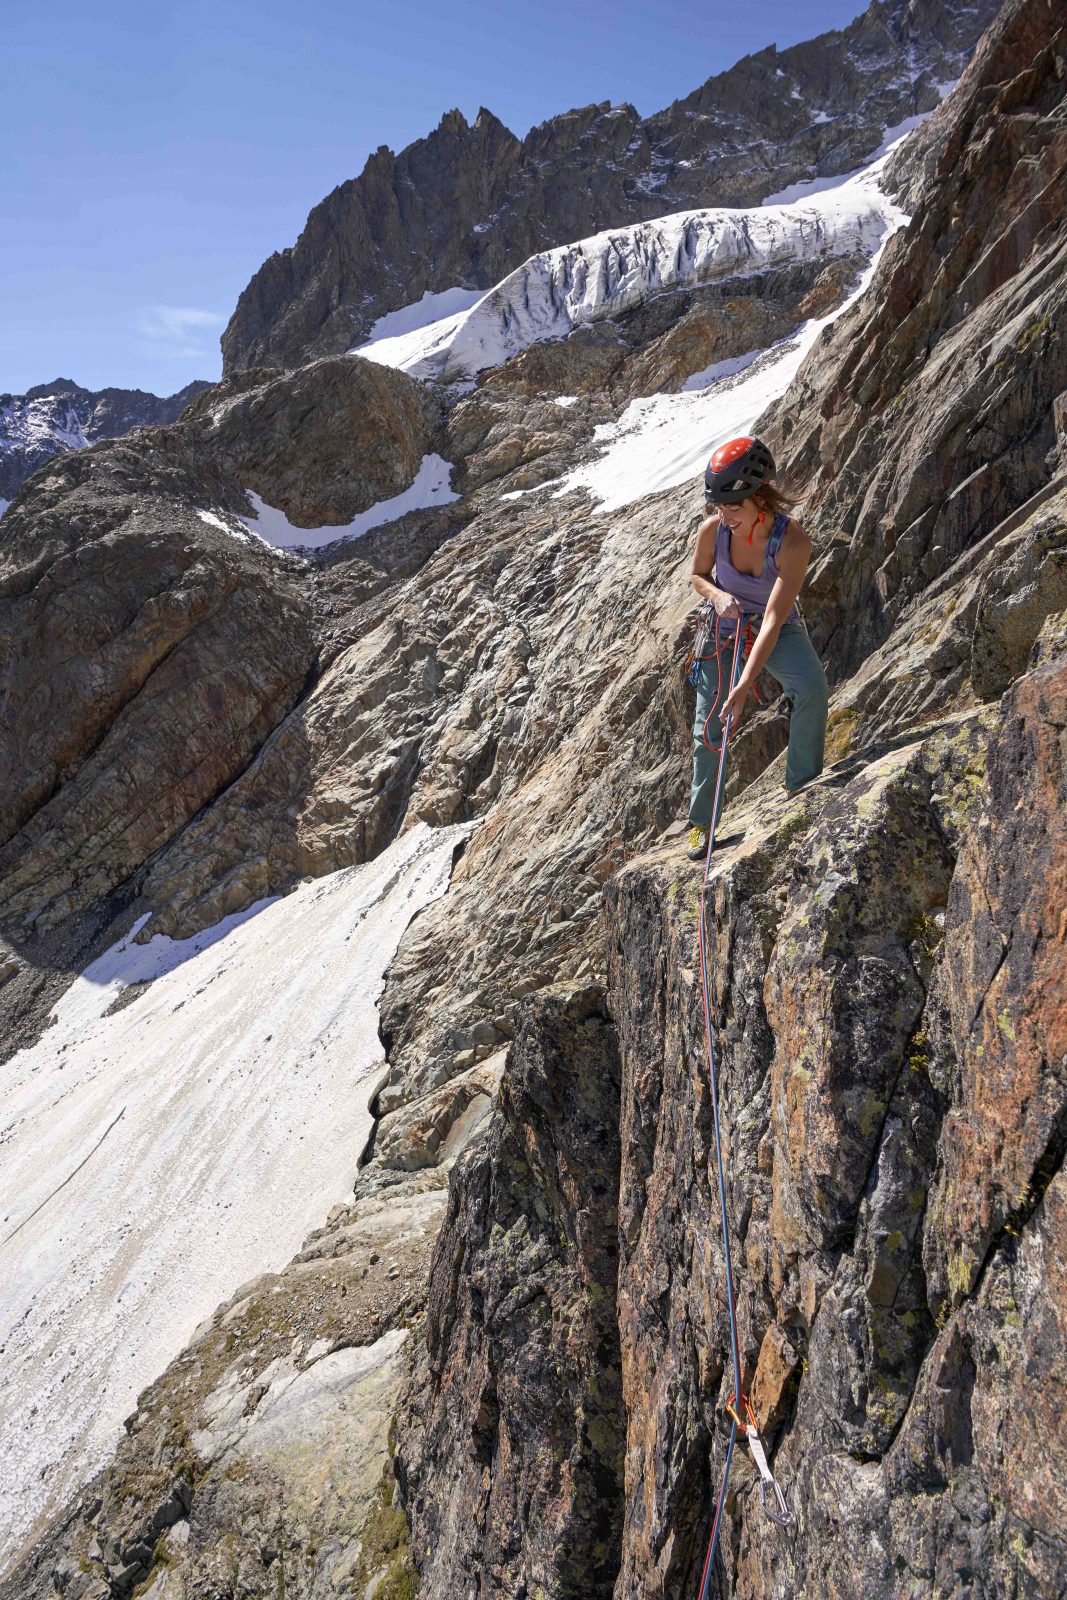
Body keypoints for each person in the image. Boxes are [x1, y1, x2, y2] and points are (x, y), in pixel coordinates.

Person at [686, 436, 828, 860]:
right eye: (720, 507)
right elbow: (697, 575)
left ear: (759, 498)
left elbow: (773, 617)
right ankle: (700, 825)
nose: (724, 516)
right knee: (710, 723)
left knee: (811, 688)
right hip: (723, 627)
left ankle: (802, 785)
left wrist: (746, 682)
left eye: (734, 507)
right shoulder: (714, 530)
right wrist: (716, 596)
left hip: (775, 626)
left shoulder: (793, 542)